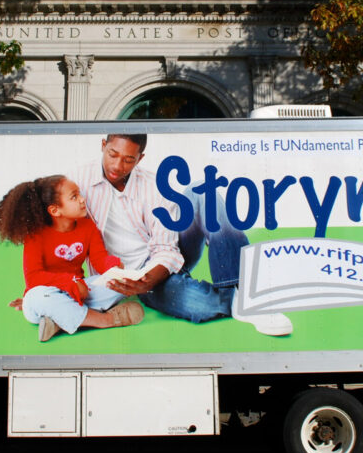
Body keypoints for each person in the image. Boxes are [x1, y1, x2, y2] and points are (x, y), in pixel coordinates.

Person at [71, 134, 292, 336]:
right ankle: (233, 300)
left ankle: (245, 291)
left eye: (128, 160)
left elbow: (166, 250)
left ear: (140, 158)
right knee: (197, 304)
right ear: (103, 146)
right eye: (112, 154)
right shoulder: (79, 180)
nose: (117, 166)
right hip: (116, 275)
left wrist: (148, 281)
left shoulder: (153, 186)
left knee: (202, 190)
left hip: (156, 266)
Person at [0, 174, 144, 342]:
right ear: (55, 210)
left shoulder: (87, 227)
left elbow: (99, 259)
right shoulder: (36, 236)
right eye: (74, 197)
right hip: (51, 291)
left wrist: (114, 267)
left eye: (79, 194)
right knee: (37, 297)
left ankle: (58, 321)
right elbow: (34, 278)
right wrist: (69, 282)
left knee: (117, 285)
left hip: (80, 293)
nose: (82, 199)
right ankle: (105, 320)